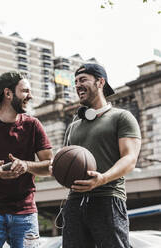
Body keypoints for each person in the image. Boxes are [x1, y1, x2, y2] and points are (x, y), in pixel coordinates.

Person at [0, 71, 53, 248]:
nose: (30, 95)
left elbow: (50, 166)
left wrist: (26, 165)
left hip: (25, 213)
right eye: (25, 91)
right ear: (8, 93)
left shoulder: (33, 125)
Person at [62, 63, 141, 248]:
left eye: (83, 80)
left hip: (108, 198)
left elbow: (130, 159)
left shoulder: (122, 117)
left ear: (100, 82)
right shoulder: (73, 126)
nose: (78, 85)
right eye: (75, 82)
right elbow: (64, 163)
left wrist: (102, 178)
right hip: (74, 202)